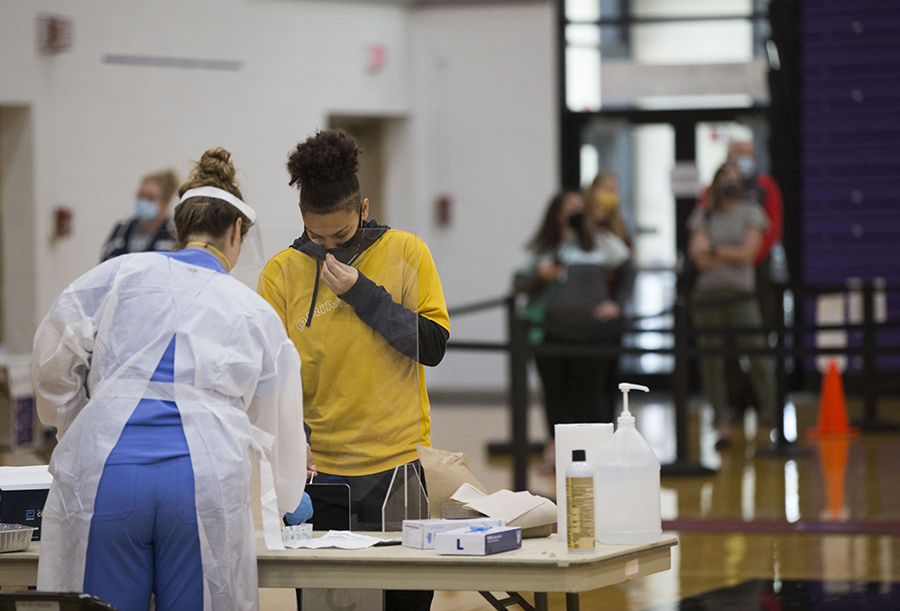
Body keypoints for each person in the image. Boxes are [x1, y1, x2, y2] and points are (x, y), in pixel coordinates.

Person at [32, 148, 308, 611]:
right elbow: (274, 416)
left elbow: (51, 359)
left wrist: (79, 424)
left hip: (107, 474)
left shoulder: (117, 275)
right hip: (204, 484)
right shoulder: (252, 310)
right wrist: (287, 493)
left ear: (178, 229)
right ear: (237, 230)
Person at [258, 129, 449, 611]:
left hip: (397, 468)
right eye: (315, 237)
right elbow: (271, 380)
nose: (328, 250)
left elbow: (432, 345)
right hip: (320, 476)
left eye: (341, 236)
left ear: (363, 210)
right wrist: (293, 438)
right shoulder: (280, 273)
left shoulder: (407, 252)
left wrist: (363, 293)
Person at [515, 190, 634, 472]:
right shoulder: (543, 248)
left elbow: (628, 268)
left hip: (591, 335)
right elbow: (519, 282)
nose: (575, 213)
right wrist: (539, 275)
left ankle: (595, 455)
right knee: (554, 395)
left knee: (589, 395)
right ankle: (556, 453)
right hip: (549, 334)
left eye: (580, 207)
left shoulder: (601, 242)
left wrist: (616, 304)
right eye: (569, 207)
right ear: (556, 212)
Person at [688, 162, 777, 449]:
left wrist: (714, 250)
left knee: (757, 354)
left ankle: (771, 415)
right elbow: (697, 256)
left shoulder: (752, 212)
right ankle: (720, 421)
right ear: (715, 184)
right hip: (707, 296)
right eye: (725, 178)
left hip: (741, 295)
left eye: (735, 178)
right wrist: (727, 253)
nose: (730, 183)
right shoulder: (704, 214)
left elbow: (748, 254)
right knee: (712, 360)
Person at [100, 168, 179, 262]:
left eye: (150, 198)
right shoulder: (122, 229)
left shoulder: (173, 233)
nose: (143, 202)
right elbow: (104, 264)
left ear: (166, 202)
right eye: (140, 196)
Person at [585, 170, 632, 247]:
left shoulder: (619, 224)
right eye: (607, 189)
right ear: (594, 190)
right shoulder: (582, 220)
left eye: (614, 190)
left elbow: (628, 251)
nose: (611, 194)